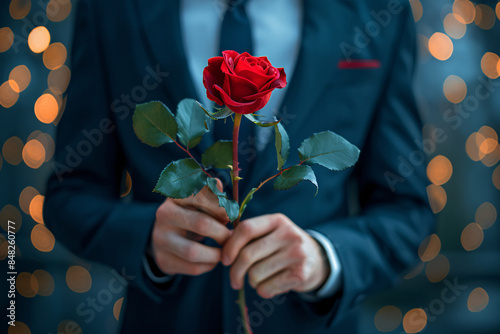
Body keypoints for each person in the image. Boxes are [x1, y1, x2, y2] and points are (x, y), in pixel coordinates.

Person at [44, 0, 434, 333]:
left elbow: (407, 212)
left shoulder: (380, 10)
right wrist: (146, 239)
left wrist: (326, 258)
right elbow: (70, 193)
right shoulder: (114, 9)